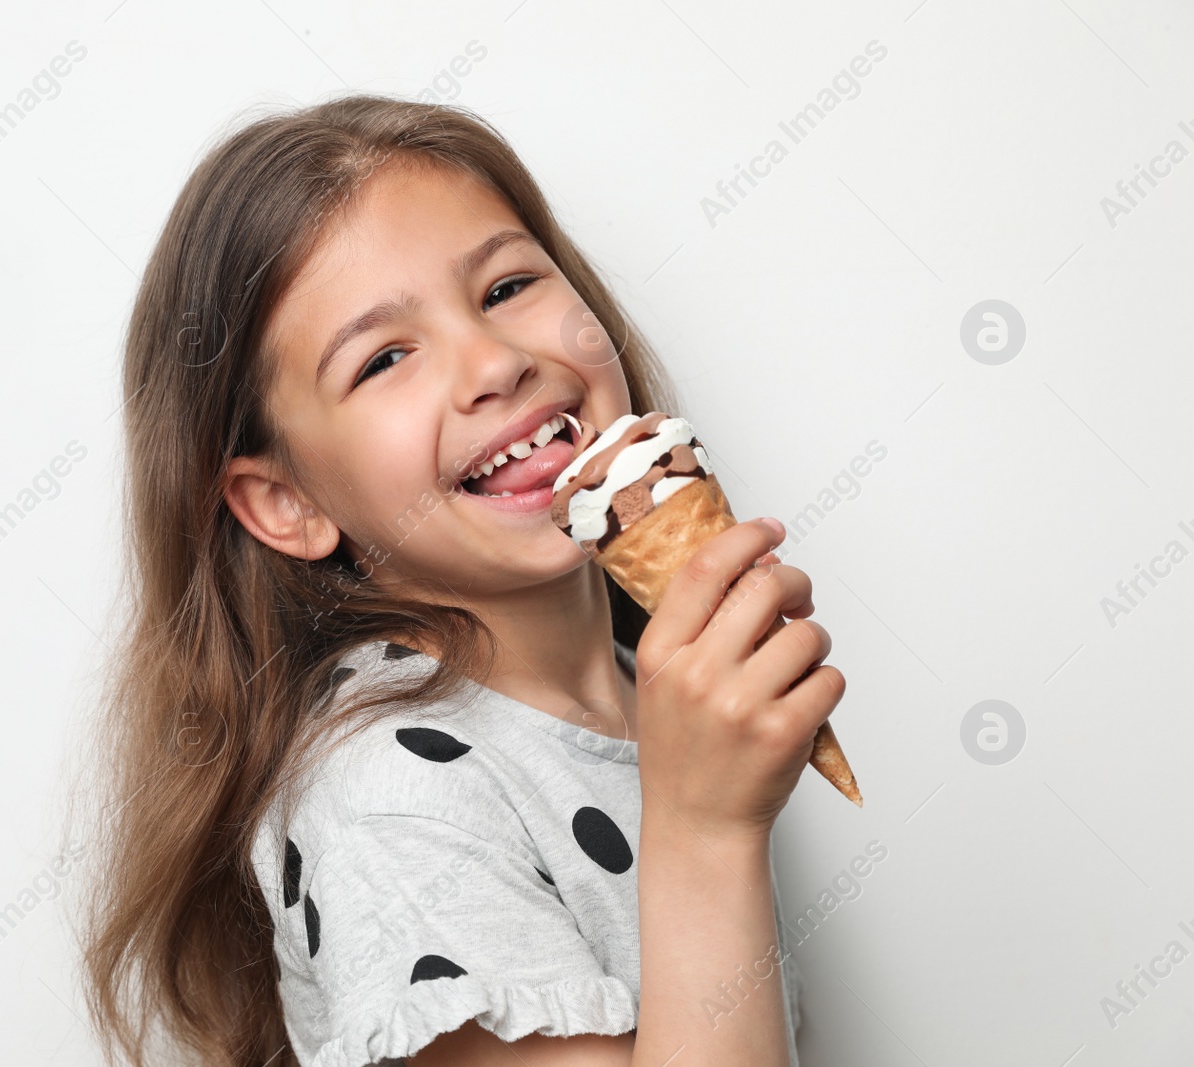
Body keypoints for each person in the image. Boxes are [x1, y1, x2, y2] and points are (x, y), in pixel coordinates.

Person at [74, 92, 844, 1067]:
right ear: (287, 502)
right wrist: (706, 826)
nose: (494, 362)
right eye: (385, 356)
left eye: (505, 286)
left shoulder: (644, 695)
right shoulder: (386, 796)